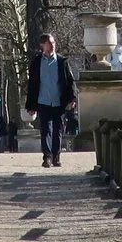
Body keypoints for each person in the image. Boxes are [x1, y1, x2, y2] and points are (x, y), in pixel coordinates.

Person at [28, 33, 79, 168]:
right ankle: (47, 157)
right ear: (42, 46)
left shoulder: (62, 61)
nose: (52, 45)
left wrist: (72, 98)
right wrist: (31, 105)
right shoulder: (37, 62)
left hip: (59, 101)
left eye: (53, 43)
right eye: (49, 43)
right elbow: (32, 84)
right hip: (43, 101)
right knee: (46, 130)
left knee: (58, 130)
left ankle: (56, 156)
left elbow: (70, 81)